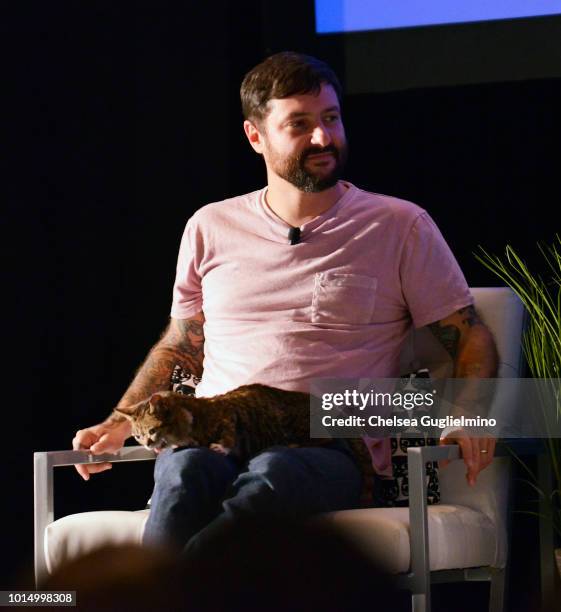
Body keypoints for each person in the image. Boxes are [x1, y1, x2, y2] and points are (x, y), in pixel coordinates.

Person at [72, 51, 498, 552]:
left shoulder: (398, 226)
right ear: (255, 136)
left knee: (272, 475)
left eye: (331, 119)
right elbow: (181, 344)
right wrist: (122, 418)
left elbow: (469, 334)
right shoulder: (210, 227)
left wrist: (469, 414)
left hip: (329, 444)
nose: (323, 138)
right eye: (299, 124)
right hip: (214, 429)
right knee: (185, 473)